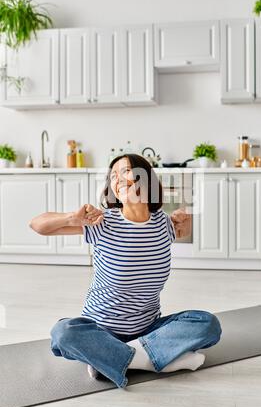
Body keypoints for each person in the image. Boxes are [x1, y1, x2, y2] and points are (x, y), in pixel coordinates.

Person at [30, 154, 222, 389]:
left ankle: (112, 359)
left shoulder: (163, 223)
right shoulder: (102, 222)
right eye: (113, 175)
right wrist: (72, 217)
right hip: (99, 330)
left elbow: (183, 228)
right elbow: (37, 225)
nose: (118, 179)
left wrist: (187, 222)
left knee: (207, 324)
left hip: (147, 329)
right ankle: (150, 359)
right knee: (64, 333)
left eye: (126, 171)